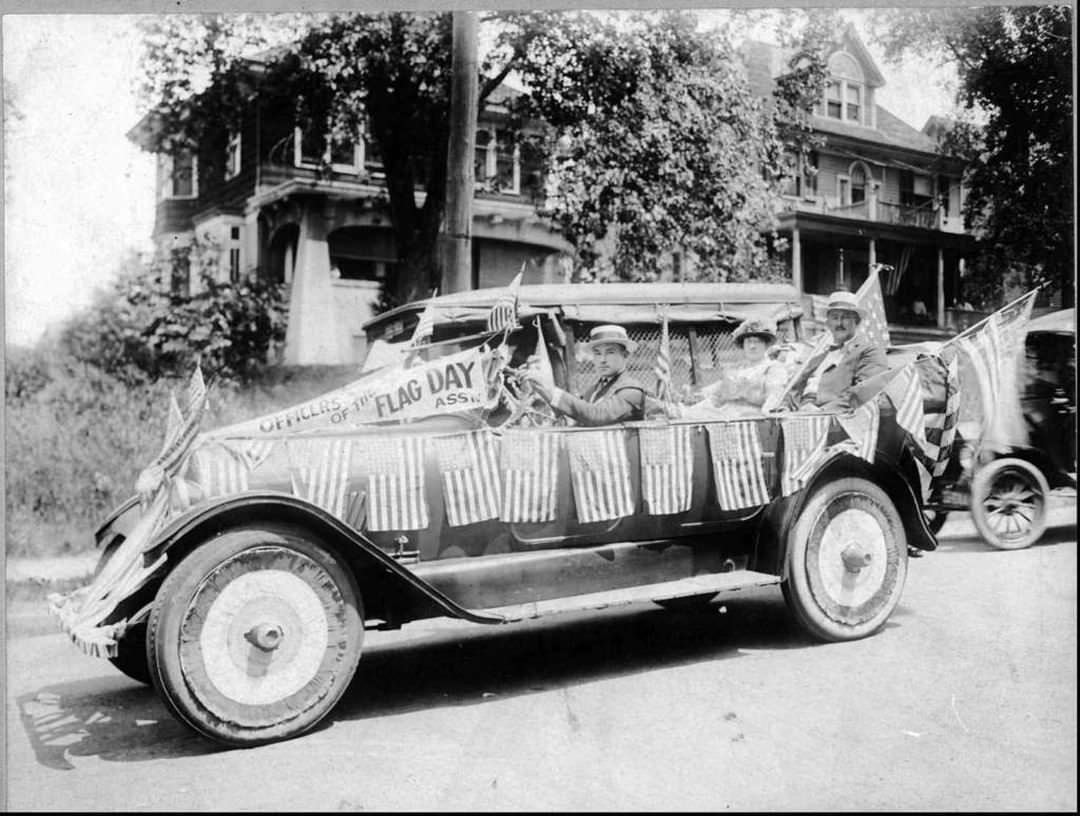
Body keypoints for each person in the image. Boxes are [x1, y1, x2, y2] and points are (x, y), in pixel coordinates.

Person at [787, 290, 889, 413]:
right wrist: (785, 406)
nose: (839, 323)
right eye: (835, 318)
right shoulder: (820, 352)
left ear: (856, 322)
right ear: (828, 322)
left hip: (832, 417)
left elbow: (864, 392)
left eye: (845, 317)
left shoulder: (870, 351)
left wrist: (822, 411)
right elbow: (794, 387)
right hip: (800, 410)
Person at [524, 324, 646, 426]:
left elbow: (596, 415)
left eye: (610, 352)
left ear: (625, 355)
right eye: (597, 353)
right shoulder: (593, 390)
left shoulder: (632, 390)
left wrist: (550, 389)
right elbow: (573, 415)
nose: (602, 359)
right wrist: (540, 387)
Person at [687, 318, 788, 418]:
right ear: (743, 345)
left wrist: (768, 410)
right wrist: (694, 401)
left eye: (758, 342)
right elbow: (716, 395)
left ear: (766, 345)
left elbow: (774, 395)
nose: (752, 346)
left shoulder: (773, 368)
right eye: (748, 342)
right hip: (725, 415)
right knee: (689, 414)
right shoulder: (735, 370)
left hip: (752, 417)